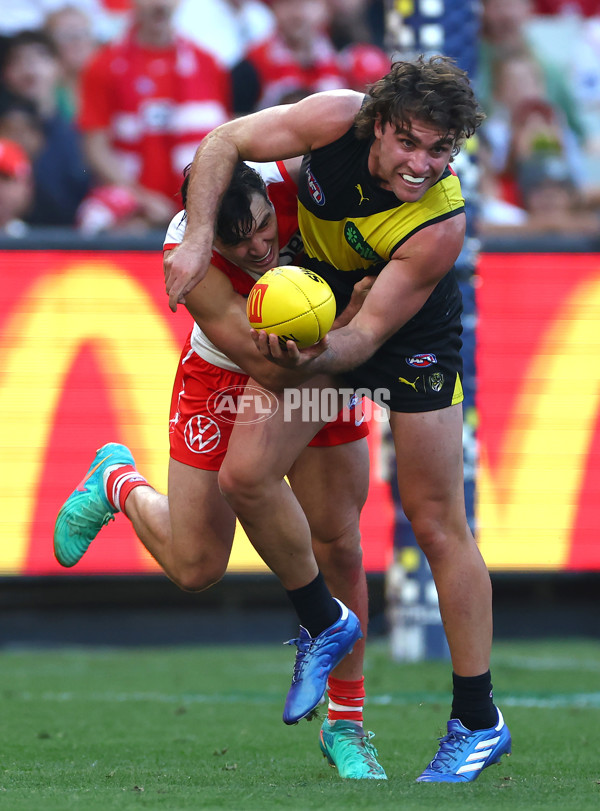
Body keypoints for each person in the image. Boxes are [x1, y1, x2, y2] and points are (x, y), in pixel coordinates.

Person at [164, 54, 513, 783]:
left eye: (441, 149)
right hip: (319, 307)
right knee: (247, 475)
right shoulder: (336, 118)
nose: (423, 163)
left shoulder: (440, 224)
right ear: (379, 124)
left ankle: (479, 719)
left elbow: (362, 340)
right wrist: (198, 237)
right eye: (412, 142)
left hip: (403, 337)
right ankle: (324, 619)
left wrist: (321, 349)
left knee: (437, 518)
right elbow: (223, 141)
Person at [53, 158, 387, 780]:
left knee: (340, 541)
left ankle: (347, 726)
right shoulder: (187, 249)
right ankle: (117, 482)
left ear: (269, 193)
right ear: (211, 235)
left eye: (266, 227)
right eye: (242, 243)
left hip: (325, 365)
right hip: (233, 372)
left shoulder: (300, 177)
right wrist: (347, 320)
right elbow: (265, 368)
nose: (261, 248)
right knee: (197, 566)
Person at [77, 0, 232, 231]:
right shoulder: (103, 65)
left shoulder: (209, 64)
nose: (160, 4)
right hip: (135, 213)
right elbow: (96, 149)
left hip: (201, 210)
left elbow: (226, 139)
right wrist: (141, 198)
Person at [0, 29, 92, 225]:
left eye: (40, 56)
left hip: (68, 243)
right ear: (5, 74)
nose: (29, 66)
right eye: (18, 59)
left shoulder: (81, 134)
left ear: (59, 67)